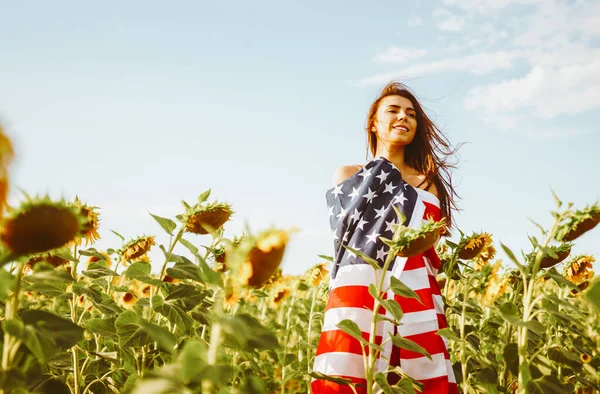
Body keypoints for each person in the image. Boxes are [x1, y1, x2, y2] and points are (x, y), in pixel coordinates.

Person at [311, 81, 459, 394]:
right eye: (393, 111)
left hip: (414, 290)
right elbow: (346, 238)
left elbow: (427, 243)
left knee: (418, 377)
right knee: (349, 372)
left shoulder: (427, 182)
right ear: (373, 123)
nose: (403, 118)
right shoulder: (348, 173)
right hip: (359, 287)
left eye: (411, 114)